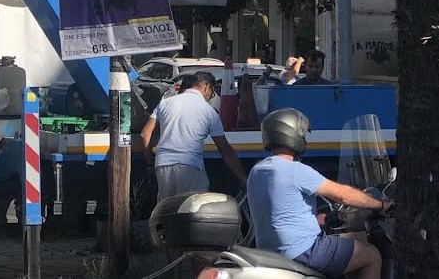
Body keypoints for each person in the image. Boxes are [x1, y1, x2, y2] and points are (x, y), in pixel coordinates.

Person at [247, 108, 393, 279]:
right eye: (303, 135)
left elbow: (278, 213)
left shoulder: (257, 171)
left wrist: (319, 220)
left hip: (271, 253)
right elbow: (344, 195)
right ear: (292, 135)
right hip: (303, 251)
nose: (304, 139)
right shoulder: (296, 170)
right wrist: (380, 205)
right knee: (371, 255)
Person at [140, 71, 247, 201]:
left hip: (163, 165)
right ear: (207, 87)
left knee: (166, 209)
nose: (210, 98)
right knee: (194, 208)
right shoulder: (209, 111)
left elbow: (145, 133)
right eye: (212, 94)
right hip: (190, 165)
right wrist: (243, 178)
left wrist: (150, 162)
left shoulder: (165, 103)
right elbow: (225, 150)